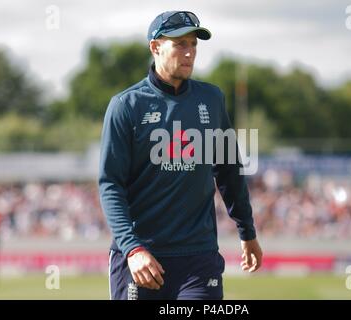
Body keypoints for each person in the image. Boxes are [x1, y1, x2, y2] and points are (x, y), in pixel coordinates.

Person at [99, 10, 262, 300]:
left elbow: (228, 170)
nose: (190, 53)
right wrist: (132, 249)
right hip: (142, 259)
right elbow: (110, 185)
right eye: (180, 44)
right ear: (155, 47)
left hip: (198, 258)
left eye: (194, 44)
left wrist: (247, 231)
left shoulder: (211, 99)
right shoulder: (126, 106)